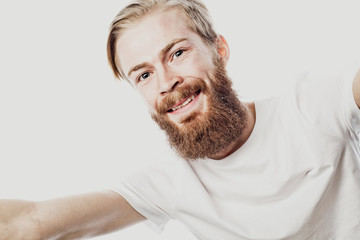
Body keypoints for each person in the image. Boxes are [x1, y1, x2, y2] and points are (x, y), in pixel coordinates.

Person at [1, 0, 360, 239]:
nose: (166, 82)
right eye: (143, 75)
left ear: (219, 50)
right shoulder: (169, 182)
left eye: (177, 52)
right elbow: (29, 223)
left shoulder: (311, 107)